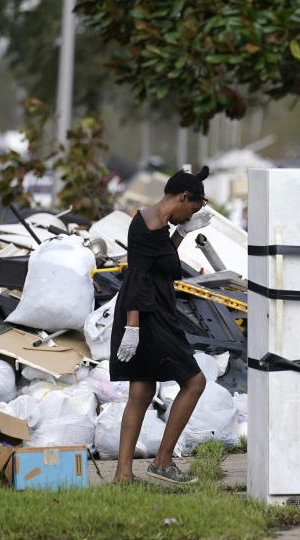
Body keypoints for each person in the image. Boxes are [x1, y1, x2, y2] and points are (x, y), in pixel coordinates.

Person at [110, 166, 213, 484]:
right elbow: (139, 276)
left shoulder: (154, 220)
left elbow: (163, 262)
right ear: (183, 197)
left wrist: (182, 232)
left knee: (141, 390)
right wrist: (133, 327)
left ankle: (123, 476)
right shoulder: (149, 225)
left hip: (149, 312)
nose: (189, 214)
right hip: (149, 316)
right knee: (195, 383)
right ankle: (163, 461)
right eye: (191, 209)